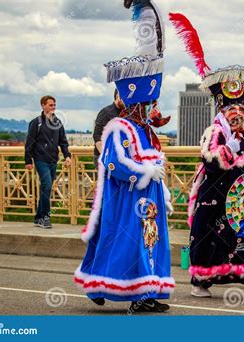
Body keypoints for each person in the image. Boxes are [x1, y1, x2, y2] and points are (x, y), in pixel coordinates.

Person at [169, 12, 244, 300]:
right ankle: (201, 281)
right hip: (217, 196)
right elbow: (210, 161)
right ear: (222, 110)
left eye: (240, 109)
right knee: (214, 240)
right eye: (232, 109)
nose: (237, 113)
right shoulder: (214, 132)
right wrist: (229, 149)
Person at [74, 0, 174, 313]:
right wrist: (145, 172)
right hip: (127, 201)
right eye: (149, 106)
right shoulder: (119, 128)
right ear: (138, 106)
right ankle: (137, 296)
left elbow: (153, 160)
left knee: (150, 245)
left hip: (149, 202)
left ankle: (149, 291)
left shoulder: (146, 131)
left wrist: (163, 188)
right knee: (130, 247)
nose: (153, 110)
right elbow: (114, 163)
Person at [25, 95, 71, 229]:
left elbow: (63, 141)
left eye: (54, 105)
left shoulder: (57, 122)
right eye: (50, 105)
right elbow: (29, 142)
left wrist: (67, 155)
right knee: (46, 185)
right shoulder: (36, 123)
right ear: (43, 106)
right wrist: (28, 160)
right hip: (40, 159)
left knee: (47, 188)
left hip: (53, 160)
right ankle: (45, 217)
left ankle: (38, 218)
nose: (53, 107)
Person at [92, 89, 125, 169]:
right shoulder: (106, 112)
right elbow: (97, 136)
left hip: (119, 159)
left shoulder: (126, 113)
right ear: (118, 96)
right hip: (105, 158)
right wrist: (106, 158)